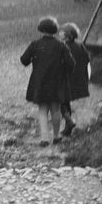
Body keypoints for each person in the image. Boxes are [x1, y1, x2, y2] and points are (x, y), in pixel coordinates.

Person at [20, 16, 74, 146]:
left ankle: (44, 138)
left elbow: (24, 60)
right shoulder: (61, 46)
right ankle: (56, 136)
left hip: (40, 82)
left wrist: (35, 59)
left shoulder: (35, 45)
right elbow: (71, 64)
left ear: (41, 29)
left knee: (42, 110)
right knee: (55, 109)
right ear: (54, 30)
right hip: (57, 82)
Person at [59, 22, 90, 137]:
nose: (59, 33)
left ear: (67, 35)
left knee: (60, 100)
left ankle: (69, 121)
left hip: (67, 79)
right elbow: (87, 59)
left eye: (61, 32)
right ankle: (68, 127)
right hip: (78, 80)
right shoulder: (80, 44)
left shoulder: (62, 47)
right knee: (64, 100)